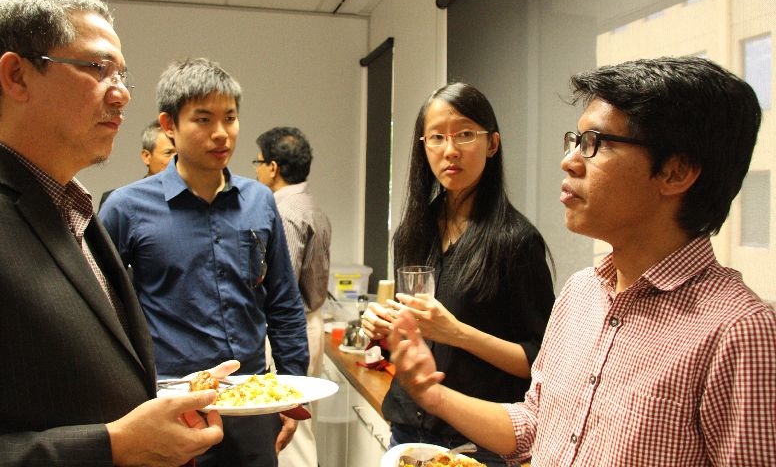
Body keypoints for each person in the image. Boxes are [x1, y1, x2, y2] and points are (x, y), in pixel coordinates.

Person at [389, 57, 776, 466]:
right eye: (574, 141)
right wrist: (432, 394)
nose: (570, 160)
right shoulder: (581, 293)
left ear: (675, 173)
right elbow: (537, 424)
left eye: (596, 143)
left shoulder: (740, 333)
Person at [0, 0, 231, 466]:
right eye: (98, 68)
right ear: (17, 76)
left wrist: (174, 398)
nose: (121, 94)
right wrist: (112, 446)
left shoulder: (73, 208)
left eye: (122, 74)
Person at [99, 58, 309, 467]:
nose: (220, 133)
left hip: (251, 399)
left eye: (229, 118)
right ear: (169, 125)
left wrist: (293, 392)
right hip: (172, 403)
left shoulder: (259, 201)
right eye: (203, 119)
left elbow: (282, 302)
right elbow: (99, 311)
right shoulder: (127, 207)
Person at [360, 83, 555, 466]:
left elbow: (541, 361)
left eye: (465, 134)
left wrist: (457, 333)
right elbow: (416, 336)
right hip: (407, 429)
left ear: (492, 144)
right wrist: (384, 328)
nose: (450, 150)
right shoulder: (413, 232)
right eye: (436, 137)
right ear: (423, 146)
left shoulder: (516, 240)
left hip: (476, 439)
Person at [253, 126, 332, 467]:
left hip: (289, 329)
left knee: (289, 428)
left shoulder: (282, 211)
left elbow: (279, 286)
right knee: (299, 420)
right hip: (311, 323)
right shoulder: (312, 205)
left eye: (257, 161)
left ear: (272, 167)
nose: (254, 170)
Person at [99, 119, 176, 207]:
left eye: (182, 153)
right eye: (168, 153)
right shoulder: (118, 201)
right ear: (146, 156)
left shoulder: (192, 198)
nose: (177, 159)